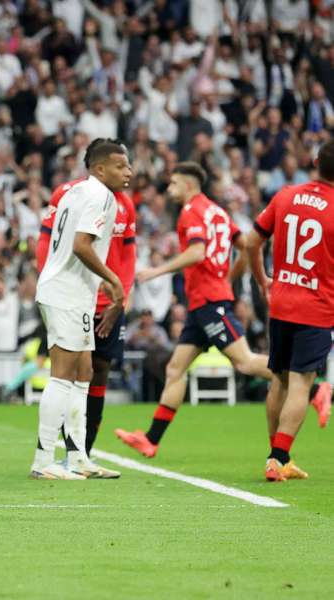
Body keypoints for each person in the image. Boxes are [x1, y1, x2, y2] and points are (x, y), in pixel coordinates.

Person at [115, 162, 328, 457]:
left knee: (243, 361)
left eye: (174, 184)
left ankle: (315, 391)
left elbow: (198, 251)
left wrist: (157, 271)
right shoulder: (216, 211)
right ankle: (151, 439)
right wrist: (230, 277)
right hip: (203, 302)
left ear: (188, 185)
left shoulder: (191, 212)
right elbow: (246, 245)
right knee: (175, 368)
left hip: (210, 302)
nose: (169, 189)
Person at [35, 138, 137, 478]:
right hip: (65, 292)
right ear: (99, 168)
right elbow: (81, 245)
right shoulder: (99, 196)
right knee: (62, 376)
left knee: (83, 374)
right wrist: (114, 280)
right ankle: (44, 460)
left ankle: (77, 457)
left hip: (75, 292)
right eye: (121, 166)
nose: (129, 172)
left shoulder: (75, 192)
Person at [245, 140, 334, 481]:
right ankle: (278, 457)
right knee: (301, 383)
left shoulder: (286, 195)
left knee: (278, 381)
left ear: (314, 162)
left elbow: (253, 242)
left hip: (281, 301)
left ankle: (277, 456)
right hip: (317, 307)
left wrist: (262, 280)